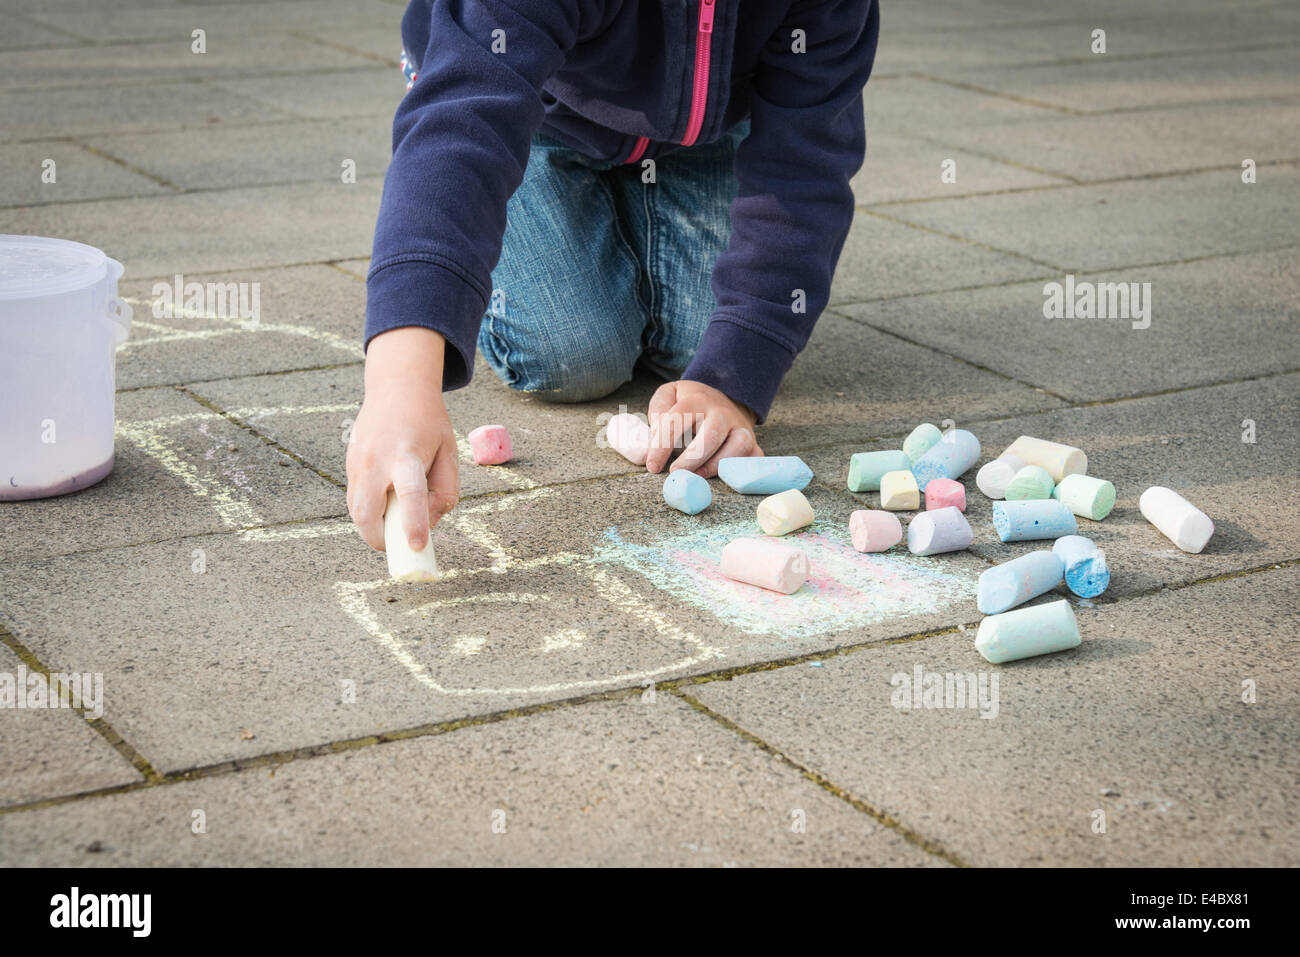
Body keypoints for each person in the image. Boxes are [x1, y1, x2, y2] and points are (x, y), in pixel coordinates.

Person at [347, 0, 880, 555]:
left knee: (713, 347)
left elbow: (805, 168)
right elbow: (464, 128)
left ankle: (626, 199)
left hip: (705, 131)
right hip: (530, 113)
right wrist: (399, 385)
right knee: (574, 353)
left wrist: (730, 380)